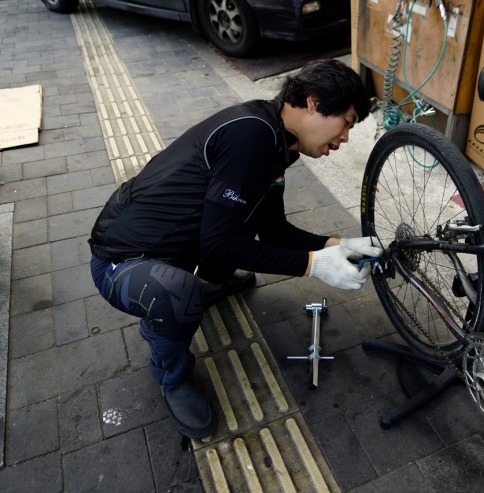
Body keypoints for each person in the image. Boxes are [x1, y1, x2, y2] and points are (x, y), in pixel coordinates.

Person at [89, 59, 383, 439]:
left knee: (237, 218)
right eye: (346, 122)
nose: (344, 139)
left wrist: (337, 244)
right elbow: (220, 243)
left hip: (176, 248)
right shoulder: (253, 135)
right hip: (122, 263)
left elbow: (272, 229)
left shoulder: (279, 143)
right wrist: (314, 265)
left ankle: (207, 285)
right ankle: (170, 374)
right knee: (178, 293)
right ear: (313, 102)